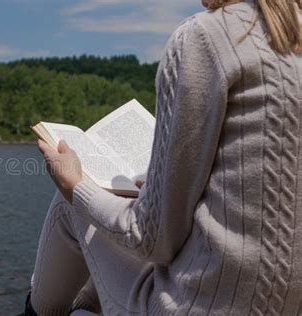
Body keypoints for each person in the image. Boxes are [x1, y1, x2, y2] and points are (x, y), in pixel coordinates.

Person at [21, 0, 302, 314]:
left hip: (197, 307)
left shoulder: (207, 37)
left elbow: (152, 240)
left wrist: (73, 185)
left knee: (70, 204)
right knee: (91, 290)